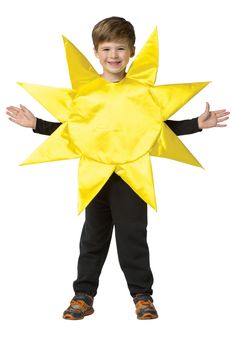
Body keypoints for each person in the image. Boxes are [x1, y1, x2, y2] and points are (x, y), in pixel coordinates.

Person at [6, 16, 230, 320]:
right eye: (107, 48)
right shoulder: (87, 93)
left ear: (133, 51)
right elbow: (73, 129)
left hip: (131, 175)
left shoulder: (141, 92)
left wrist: (195, 125)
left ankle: (142, 295)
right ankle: (83, 295)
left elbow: (157, 128)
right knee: (93, 237)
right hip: (96, 174)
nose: (114, 55)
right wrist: (36, 125)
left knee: (132, 236)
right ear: (96, 52)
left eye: (120, 48)